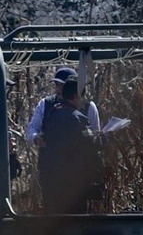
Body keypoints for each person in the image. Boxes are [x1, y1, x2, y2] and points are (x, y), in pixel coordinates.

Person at [37, 79, 104, 214]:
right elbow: (91, 144)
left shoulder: (52, 115)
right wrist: (103, 137)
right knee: (76, 221)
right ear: (75, 97)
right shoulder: (79, 118)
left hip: (52, 181)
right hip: (74, 184)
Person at [26, 66, 100, 148]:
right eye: (57, 85)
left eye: (62, 85)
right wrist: (36, 138)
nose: (58, 90)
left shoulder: (88, 107)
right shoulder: (45, 104)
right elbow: (32, 128)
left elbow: (94, 134)